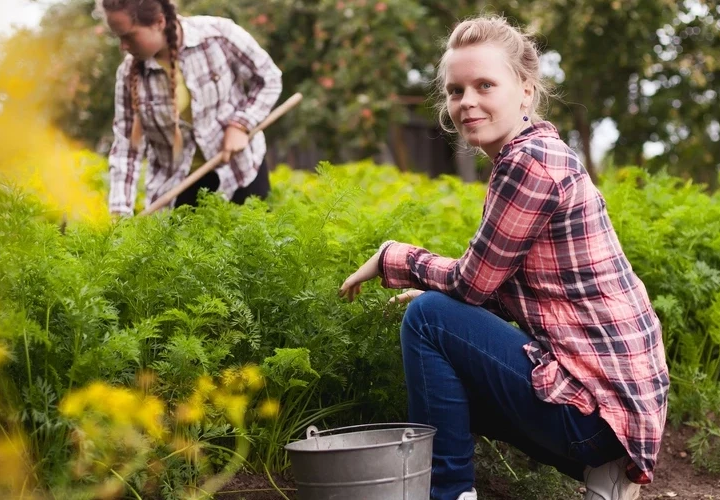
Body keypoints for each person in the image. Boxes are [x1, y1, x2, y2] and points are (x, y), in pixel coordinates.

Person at [339, 15, 669, 500]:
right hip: (620, 410)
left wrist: (394, 257)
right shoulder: (542, 151)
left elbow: (472, 285)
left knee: (429, 320)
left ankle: (450, 494)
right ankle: (605, 470)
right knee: (440, 329)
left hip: (601, 415)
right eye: (455, 91)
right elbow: (518, 291)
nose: (466, 102)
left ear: (525, 91)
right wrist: (444, 295)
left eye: (484, 85)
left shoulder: (528, 163)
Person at [101, 0, 282, 216]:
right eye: (118, 38)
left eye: (128, 36)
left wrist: (241, 125)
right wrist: (120, 213)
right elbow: (126, 149)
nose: (123, 46)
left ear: (159, 22)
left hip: (239, 172)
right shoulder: (129, 74)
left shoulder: (218, 36)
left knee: (254, 245)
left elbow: (269, 78)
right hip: (178, 190)